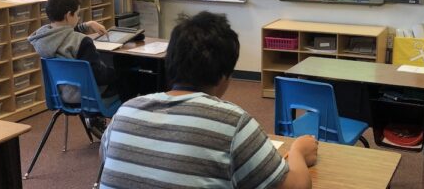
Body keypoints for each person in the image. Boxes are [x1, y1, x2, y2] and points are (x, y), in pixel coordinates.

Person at [99, 11, 318, 189]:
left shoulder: (124, 113)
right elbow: (296, 186)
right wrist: (298, 151)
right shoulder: (232, 123)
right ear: (225, 76)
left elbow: (106, 160)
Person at [28, 0, 116, 138]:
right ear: (69, 15)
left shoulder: (42, 39)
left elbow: (63, 34)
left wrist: (86, 25)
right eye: (77, 14)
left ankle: (95, 119)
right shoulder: (82, 41)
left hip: (61, 96)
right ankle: (119, 130)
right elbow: (99, 76)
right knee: (126, 79)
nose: (79, 17)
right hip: (88, 98)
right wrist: (117, 71)